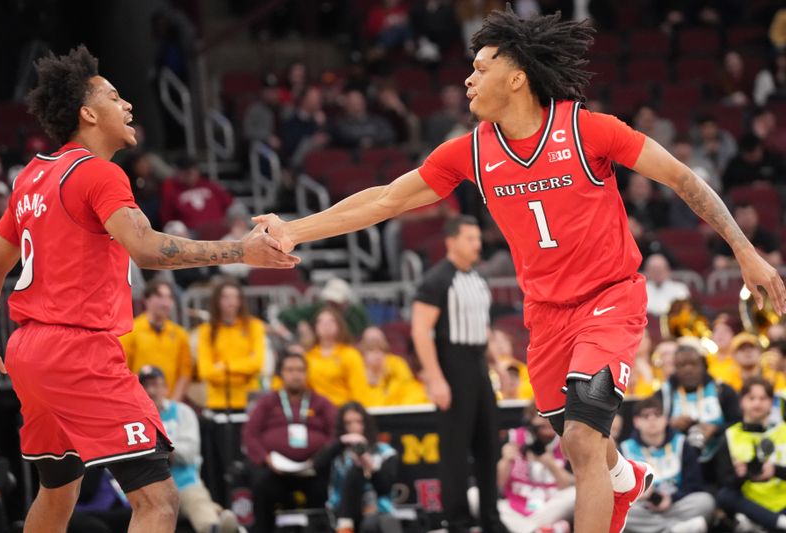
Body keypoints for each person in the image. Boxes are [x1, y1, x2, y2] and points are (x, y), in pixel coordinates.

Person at [254, 9, 786, 532]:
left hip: (610, 297)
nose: (468, 78)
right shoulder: (472, 152)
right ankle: (624, 477)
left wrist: (744, 250)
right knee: (581, 440)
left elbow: (684, 180)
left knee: (581, 437)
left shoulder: (589, 130)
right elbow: (386, 200)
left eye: (481, 68)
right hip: (547, 313)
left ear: (516, 77)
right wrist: (297, 230)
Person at [0, 46, 298, 533]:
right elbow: (148, 250)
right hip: (77, 349)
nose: (128, 105)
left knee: (57, 488)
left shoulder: (30, 177)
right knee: (159, 500)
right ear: (88, 114)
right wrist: (241, 251)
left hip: (27, 350)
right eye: (115, 96)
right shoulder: (98, 172)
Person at [410, 215, 506, 533]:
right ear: (451, 241)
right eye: (470, 239)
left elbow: (484, 328)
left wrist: (498, 365)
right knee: (454, 449)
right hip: (452, 363)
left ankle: (491, 518)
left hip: (478, 362)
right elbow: (421, 331)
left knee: (488, 446)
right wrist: (435, 378)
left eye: (478, 238)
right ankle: (459, 523)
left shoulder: (478, 279)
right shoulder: (436, 280)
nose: (477, 244)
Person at [243, 351, 337, 533]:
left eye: (300, 370)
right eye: (290, 370)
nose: (296, 375)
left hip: (313, 469)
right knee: (261, 483)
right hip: (275, 471)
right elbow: (250, 435)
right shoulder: (267, 402)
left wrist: (320, 459)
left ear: (307, 373)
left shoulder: (321, 403)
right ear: (281, 374)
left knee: (325, 484)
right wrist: (266, 459)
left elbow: (335, 433)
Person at [139, 365, 240, 533]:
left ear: (165, 388)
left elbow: (189, 454)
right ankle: (219, 514)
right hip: (148, 488)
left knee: (197, 502)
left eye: (155, 384)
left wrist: (160, 446)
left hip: (184, 482)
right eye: (145, 385)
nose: (151, 391)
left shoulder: (182, 412)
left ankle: (215, 527)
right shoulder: (135, 418)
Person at [196, 279, 268, 499]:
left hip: (247, 405)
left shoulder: (253, 326)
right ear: (217, 300)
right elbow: (206, 371)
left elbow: (257, 364)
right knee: (222, 466)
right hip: (219, 406)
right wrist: (241, 368)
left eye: (235, 297)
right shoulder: (207, 331)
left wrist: (225, 366)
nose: (231, 302)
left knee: (249, 462)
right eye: (226, 297)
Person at [620, 397, 715, 533]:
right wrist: (637, 494)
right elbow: (617, 489)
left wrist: (671, 499)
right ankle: (673, 529)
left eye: (657, 415)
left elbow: (694, 484)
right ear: (636, 421)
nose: (652, 420)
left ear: (665, 419)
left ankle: (658, 529)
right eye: (646, 416)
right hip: (642, 507)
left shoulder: (682, 444)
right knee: (618, 510)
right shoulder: (624, 449)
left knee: (706, 501)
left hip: (675, 505)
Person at [488, 404, 575, 533]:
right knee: (475, 495)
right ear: (530, 419)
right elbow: (496, 484)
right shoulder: (513, 437)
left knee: (575, 494)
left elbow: (567, 486)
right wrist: (506, 460)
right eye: (543, 417)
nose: (549, 422)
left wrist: (550, 464)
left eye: (554, 417)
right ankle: (538, 530)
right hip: (514, 504)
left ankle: (526, 528)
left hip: (548, 507)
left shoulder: (566, 441)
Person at [715, 377, 786, 532]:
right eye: (751, 398)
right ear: (741, 401)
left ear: (771, 402)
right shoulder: (730, 435)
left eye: (763, 398)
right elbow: (725, 481)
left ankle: (764, 524)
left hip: (782, 500)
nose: (757, 403)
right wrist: (741, 475)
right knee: (724, 495)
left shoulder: (784, 430)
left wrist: (776, 471)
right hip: (750, 502)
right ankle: (776, 523)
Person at [654, 344, 741, 468]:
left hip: (721, 460)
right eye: (682, 365)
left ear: (703, 366)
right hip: (679, 464)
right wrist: (669, 424)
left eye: (693, 364)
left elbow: (738, 422)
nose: (688, 369)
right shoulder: (662, 395)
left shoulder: (723, 390)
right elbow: (647, 427)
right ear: (675, 368)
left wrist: (716, 429)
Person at [321, 401, 401, 533]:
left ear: (366, 423)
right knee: (356, 470)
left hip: (377, 509)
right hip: (342, 509)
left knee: (369, 525)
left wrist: (369, 463)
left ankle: (345, 525)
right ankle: (345, 521)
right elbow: (316, 467)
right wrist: (342, 442)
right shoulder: (336, 453)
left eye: (359, 422)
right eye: (348, 423)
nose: (354, 427)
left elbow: (385, 487)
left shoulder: (384, 452)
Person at [120, 280, 193, 401]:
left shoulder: (180, 334)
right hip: (138, 402)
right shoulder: (130, 331)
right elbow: (123, 370)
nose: (165, 303)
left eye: (169, 298)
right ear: (146, 300)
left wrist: (173, 403)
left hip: (169, 403)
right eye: (159, 296)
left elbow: (185, 373)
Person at [304, 306, 369, 406]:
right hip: (315, 413)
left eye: (331, 322)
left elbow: (359, 389)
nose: (326, 326)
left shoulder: (350, 354)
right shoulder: (307, 357)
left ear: (339, 326)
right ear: (315, 327)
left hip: (343, 410)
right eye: (321, 322)